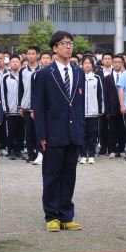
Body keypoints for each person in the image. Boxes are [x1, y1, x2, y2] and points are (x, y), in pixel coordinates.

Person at [33, 31, 85, 232]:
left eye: (70, 43)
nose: (68, 46)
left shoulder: (78, 72)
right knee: (52, 176)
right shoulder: (44, 74)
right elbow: (39, 107)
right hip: (53, 134)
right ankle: (51, 216)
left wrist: (80, 130)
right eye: (64, 43)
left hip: (73, 133)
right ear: (55, 48)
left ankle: (66, 215)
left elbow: (79, 105)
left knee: (69, 176)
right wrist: (41, 135)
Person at [18, 47, 41, 164]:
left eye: (33, 53)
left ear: (37, 55)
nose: (31, 56)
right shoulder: (22, 71)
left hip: (38, 107)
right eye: (29, 53)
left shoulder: (42, 71)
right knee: (29, 132)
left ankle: (39, 153)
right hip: (26, 105)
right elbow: (20, 89)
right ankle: (31, 154)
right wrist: (20, 106)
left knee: (38, 131)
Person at [79, 55, 103, 164]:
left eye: (89, 63)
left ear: (93, 65)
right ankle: (83, 155)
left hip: (93, 112)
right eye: (85, 63)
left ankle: (92, 155)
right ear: (82, 65)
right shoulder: (79, 78)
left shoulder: (97, 78)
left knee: (92, 135)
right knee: (82, 134)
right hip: (81, 112)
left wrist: (100, 110)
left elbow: (100, 95)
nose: (87, 65)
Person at [0, 56, 23, 160]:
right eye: (13, 62)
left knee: (21, 131)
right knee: (11, 131)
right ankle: (11, 150)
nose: (15, 63)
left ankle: (19, 150)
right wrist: (5, 108)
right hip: (10, 110)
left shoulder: (23, 76)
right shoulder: (5, 78)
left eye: (17, 61)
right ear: (9, 64)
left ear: (20, 63)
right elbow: (3, 93)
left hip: (22, 110)